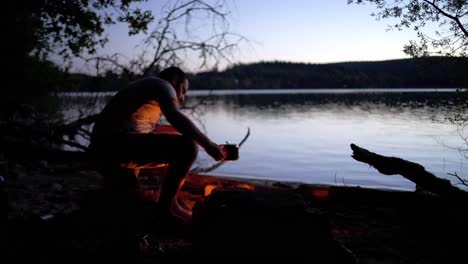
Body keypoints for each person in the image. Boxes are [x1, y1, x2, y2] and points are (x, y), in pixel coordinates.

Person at [89, 67, 225, 224]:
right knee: (187, 147)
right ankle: (165, 208)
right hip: (115, 145)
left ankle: (159, 205)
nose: (182, 99)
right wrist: (207, 144)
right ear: (175, 81)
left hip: (103, 147)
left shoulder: (146, 90)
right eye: (183, 91)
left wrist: (193, 134)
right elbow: (175, 117)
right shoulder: (163, 85)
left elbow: (155, 129)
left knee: (128, 202)